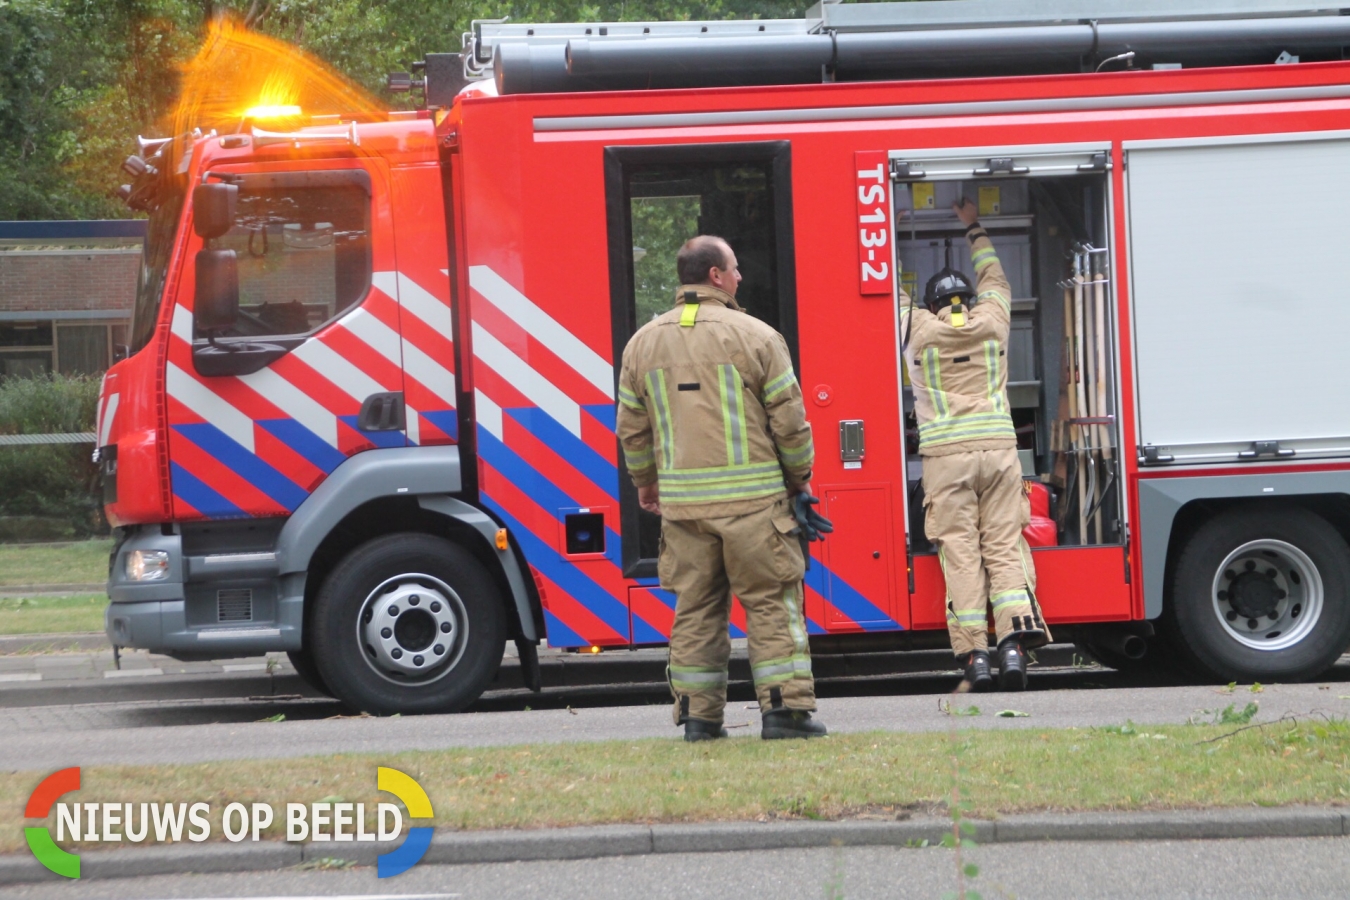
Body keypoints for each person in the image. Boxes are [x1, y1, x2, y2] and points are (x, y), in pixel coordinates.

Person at [616, 235, 827, 741]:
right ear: (715, 275)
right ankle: (784, 714)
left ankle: (699, 719)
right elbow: (790, 424)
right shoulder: (758, 337)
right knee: (771, 604)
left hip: (684, 512)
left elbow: (632, 429)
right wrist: (799, 480)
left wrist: (646, 484)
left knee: (695, 611)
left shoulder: (641, 344)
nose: (739, 276)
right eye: (734, 268)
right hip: (756, 509)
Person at [901, 199, 1051, 692]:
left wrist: (889, 234)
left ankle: (976, 658)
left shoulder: (916, 328)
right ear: (969, 297)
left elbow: (889, 293)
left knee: (962, 553)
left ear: (932, 305)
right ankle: (1014, 646)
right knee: (1004, 546)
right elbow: (997, 280)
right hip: (1000, 454)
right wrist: (973, 226)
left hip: (947, 462)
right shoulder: (993, 321)